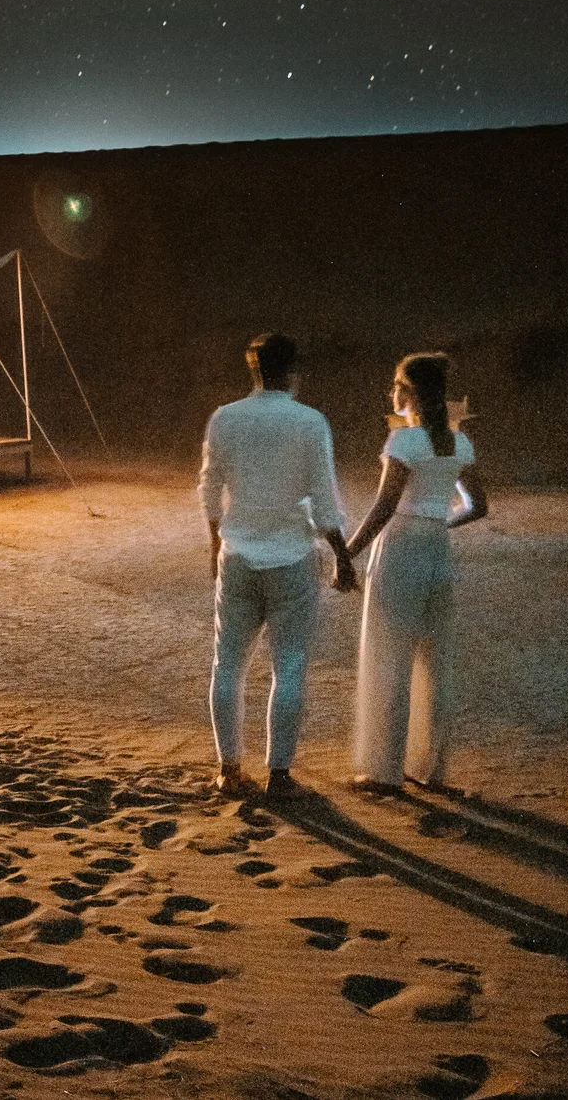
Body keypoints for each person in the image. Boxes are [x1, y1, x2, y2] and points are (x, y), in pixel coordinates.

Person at [201, 332, 356, 800]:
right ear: (292, 370)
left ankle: (229, 768)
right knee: (289, 666)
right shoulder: (309, 422)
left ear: (254, 370)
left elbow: (210, 487)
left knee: (228, 664)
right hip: (291, 554)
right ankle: (280, 775)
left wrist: (214, 542)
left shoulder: (225, 418)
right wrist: (342, 553)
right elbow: (325, 498)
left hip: (239, 551)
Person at [346, 352, 489, 793]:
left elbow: (385, 506)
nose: (391, 394)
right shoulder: (459, 444)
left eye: (395, 386)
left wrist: (346, 552)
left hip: (401, 548)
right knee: (435, 661)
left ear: (407, 392)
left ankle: (384, 770)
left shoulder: (404, 443)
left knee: (390, 655)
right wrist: (437, 522)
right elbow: (478, 506)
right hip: (437, 550)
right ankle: (431, 768)